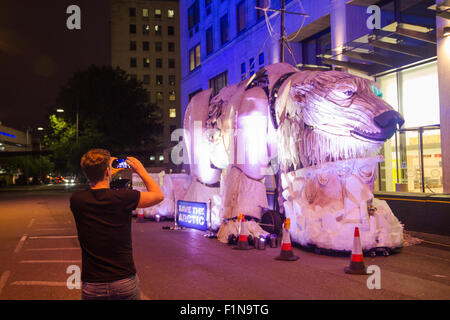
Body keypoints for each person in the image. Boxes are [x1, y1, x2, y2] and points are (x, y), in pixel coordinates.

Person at [70, 148, 164, 300]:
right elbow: (158, 195)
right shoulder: (124, 197)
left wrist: (104, 173)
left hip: (93, 283)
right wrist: (141, 170)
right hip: (123, 279)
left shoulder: (77, 200)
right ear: (107, 172)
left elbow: (96, 188)